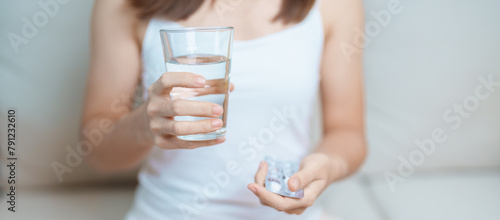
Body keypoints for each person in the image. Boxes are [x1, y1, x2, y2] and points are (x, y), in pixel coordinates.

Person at [82, 0, 366, 219]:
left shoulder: (336, 5)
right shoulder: (123, 5)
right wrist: (143, 126)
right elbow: (95, 150)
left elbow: (347, 132)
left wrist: (328, 165)